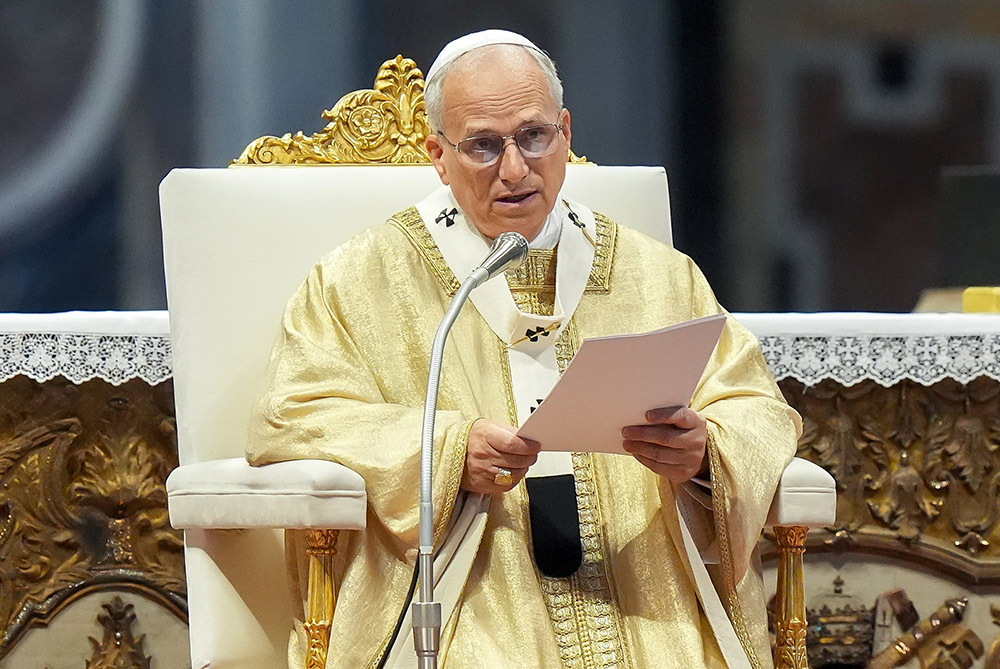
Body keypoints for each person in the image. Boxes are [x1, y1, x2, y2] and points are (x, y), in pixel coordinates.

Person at [247, 29, 800, 669]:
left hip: (647, 593)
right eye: (482, 146)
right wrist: (444, 453)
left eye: (533, 137)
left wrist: (704, 454)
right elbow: (291, 416)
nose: (514, 169)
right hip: (466, 589)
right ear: (438, 154)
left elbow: (756, 406)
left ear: (565, 133)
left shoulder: (659, 276)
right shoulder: (362, 279)